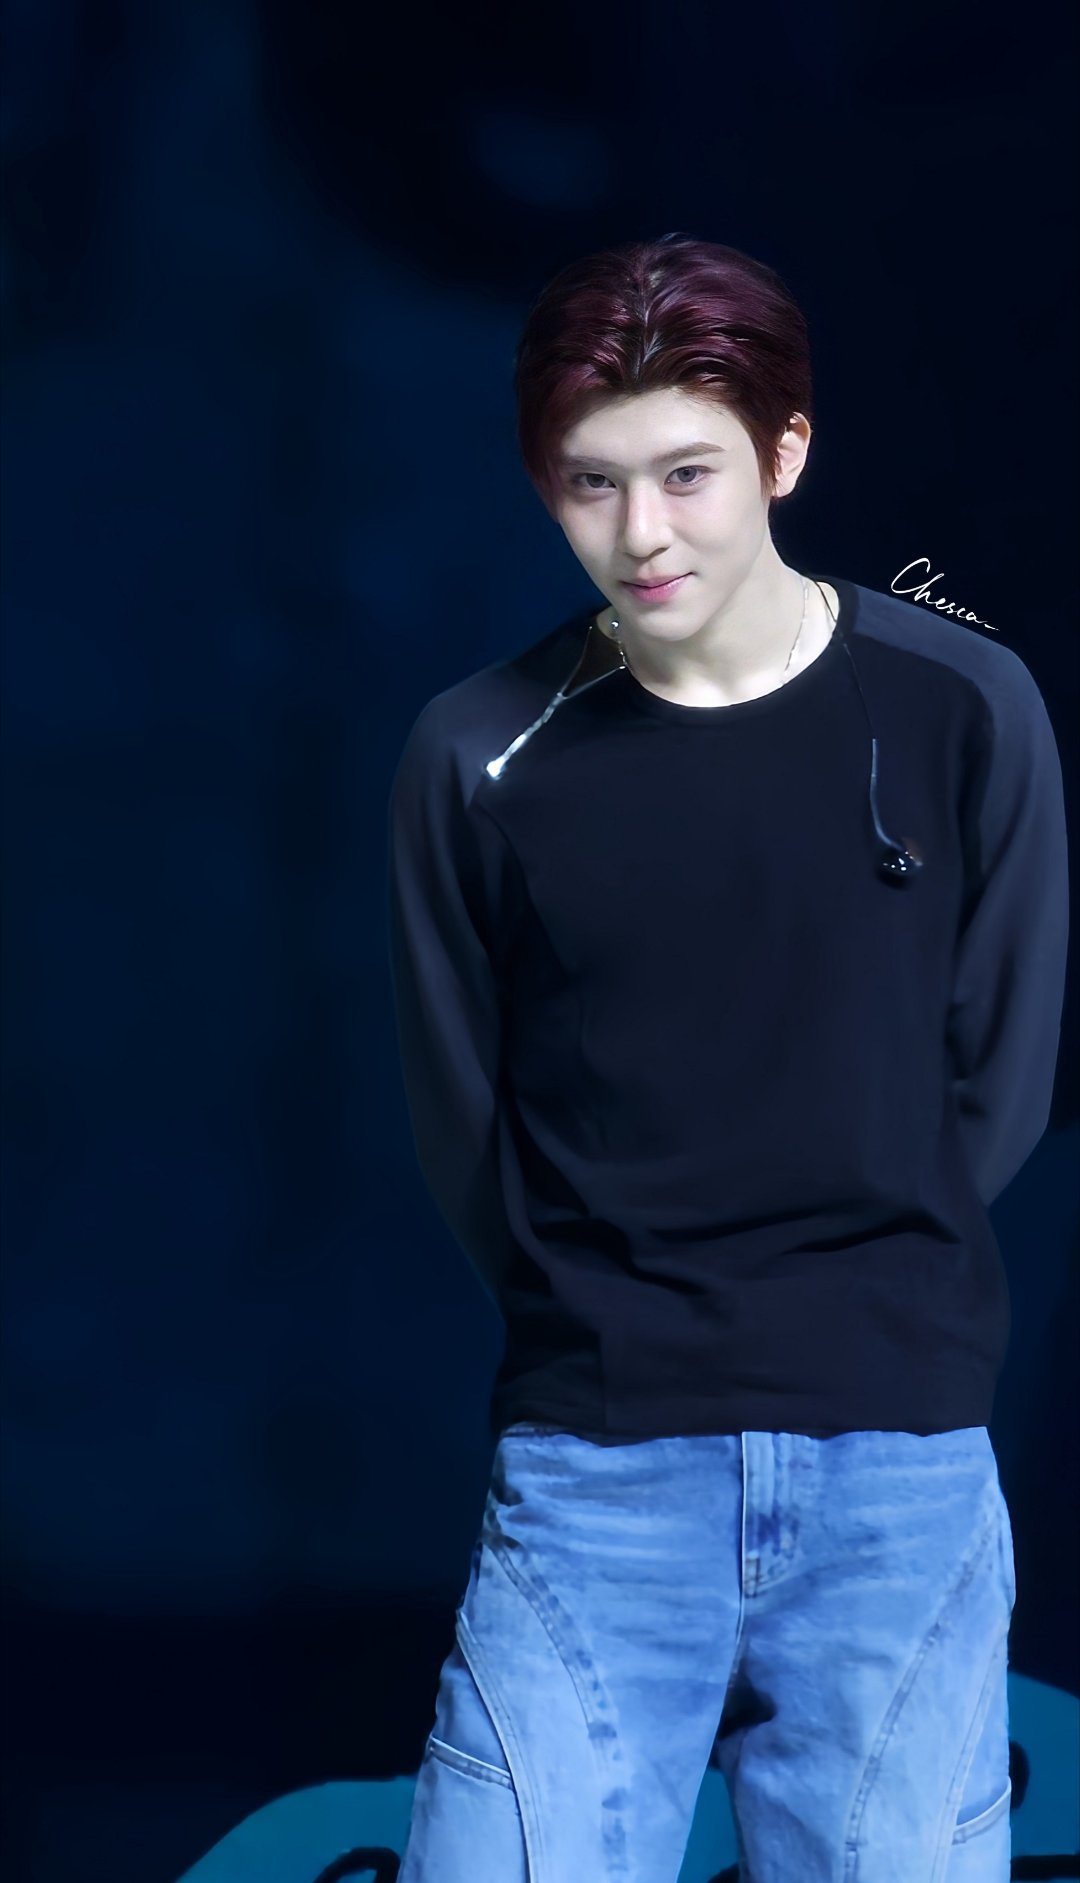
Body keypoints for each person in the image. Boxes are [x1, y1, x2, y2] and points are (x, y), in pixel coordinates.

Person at [385, 232, 1069, 1881]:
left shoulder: (965, 705)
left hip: (898, 1470)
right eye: (591, 482)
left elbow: (1004, 1079)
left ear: (786, 453)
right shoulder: (478, 755)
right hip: (593, 1471)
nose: (642, 533)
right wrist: (610, 1316)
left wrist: (857, 1280)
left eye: (687, 473)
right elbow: (465, 1124)